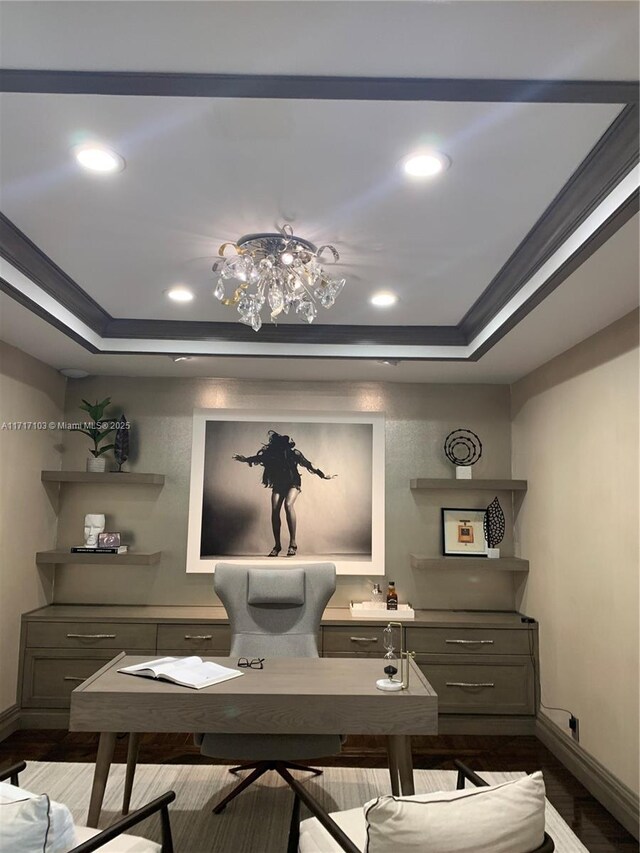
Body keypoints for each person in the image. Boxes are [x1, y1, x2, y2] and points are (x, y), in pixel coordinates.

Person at [233, 430, 337, 557]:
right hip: (279, 484)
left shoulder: (294, 454)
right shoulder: (271, 454)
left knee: (288, 505)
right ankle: (277, 546)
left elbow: (309, 464)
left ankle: (293, 543)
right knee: (275, 510)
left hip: (293, 482)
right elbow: (258, 458)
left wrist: (323, 475)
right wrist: (244, 459)